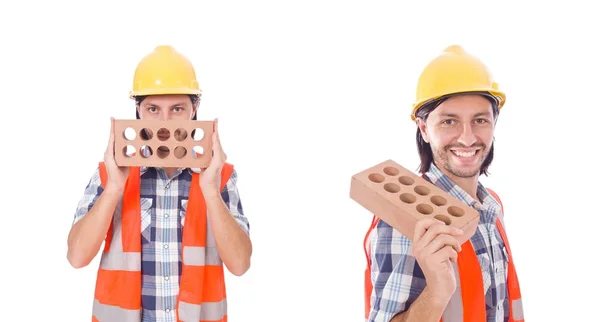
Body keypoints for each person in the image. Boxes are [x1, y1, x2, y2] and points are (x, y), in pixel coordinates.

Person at [67, 45, 252, 322]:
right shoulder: (110, 174)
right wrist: (114, 189)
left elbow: (240, 265)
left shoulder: (219, 176)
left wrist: (211, 191)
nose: (164, 123)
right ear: (138, 110)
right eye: (153, 108)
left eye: (177, 108)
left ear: (194, 109)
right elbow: (76, 257)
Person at [363, 45, 524, 322]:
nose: (467, 137)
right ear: (424, 129)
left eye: (480, 120)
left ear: (494, 124)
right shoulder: (404, 220)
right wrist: (437, 292)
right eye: (449, 121)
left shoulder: (492, 207)